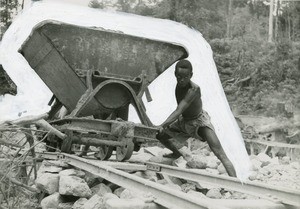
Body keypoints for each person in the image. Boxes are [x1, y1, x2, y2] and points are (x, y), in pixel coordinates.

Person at [156, 59, 237, 177]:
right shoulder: (178, 85)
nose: (182, 80)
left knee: (219, 153)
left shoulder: (193, 90)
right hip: (184, 121)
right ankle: (176, 153)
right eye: (179, 76)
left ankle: (235, 183)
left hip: (199, 122)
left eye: (185, 77)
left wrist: (161, 125)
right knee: (160, 135)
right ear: (175, 74)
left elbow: (179, 110)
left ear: (191, 75)